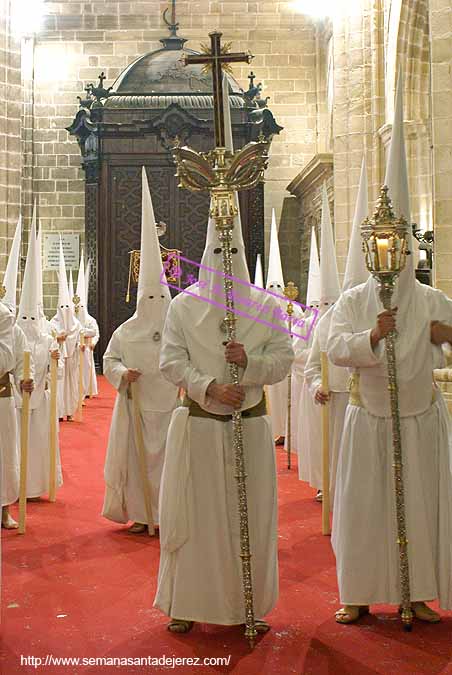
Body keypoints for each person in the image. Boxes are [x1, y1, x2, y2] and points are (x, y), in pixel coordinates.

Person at [328, 74, 452, 624]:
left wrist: (446, 337)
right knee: (363, 506)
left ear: (407, 245)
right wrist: (371, 337)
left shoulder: (433, 299)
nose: (390, 252)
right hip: (370, 415)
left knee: (422, 507)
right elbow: (332, 345)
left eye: (396, 242)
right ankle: (358, 591)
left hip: (421, 416)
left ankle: (418, 591)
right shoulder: (355, 298)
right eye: (381, 243)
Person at [154, 204, 294, 633]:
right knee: (195, 515)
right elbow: (171, 360)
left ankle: (243, 606)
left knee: (248, 516)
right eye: (220, 253)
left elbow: (284, 358)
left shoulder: (268, 307)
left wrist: (249, 365)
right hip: (198, 424)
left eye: (234, 254)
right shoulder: (183, 307)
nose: (226, 262)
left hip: (249, 425)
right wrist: (209, 385)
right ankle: (186, 602)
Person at [102, 168, 178, 534]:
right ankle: (141, 514)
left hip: (171, 408)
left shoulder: (178, 328)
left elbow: (188, 360)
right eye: (149, 296)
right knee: (136, 461)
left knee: (169, 463)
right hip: (136, 405)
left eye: (160, 296)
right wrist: (121, 375)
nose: (155, 302)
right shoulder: (126, 330)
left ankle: (166, 515)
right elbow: (109, 359)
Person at [16, 218, 63, 501]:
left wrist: (57, 359)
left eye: (33, 317)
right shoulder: (13, 338)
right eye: (25, 317)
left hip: (40, 402)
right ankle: (16, 487)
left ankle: (37, 486)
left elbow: (53, 372)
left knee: (37, 444)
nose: (29, 322)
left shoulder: (47, 339)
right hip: (16, 404)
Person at [50, 238, 81, 421]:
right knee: (60, 386)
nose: (64, 312)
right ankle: (60, 412)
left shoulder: (76, 324)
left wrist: (67, 338)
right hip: (60, 361)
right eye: (62, 308)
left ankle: (69, 411)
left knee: (71, 386)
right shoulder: (53, 323)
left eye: (67, 308)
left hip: (72, 362)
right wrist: (58, 339)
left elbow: (75, 338)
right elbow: (51, 337)